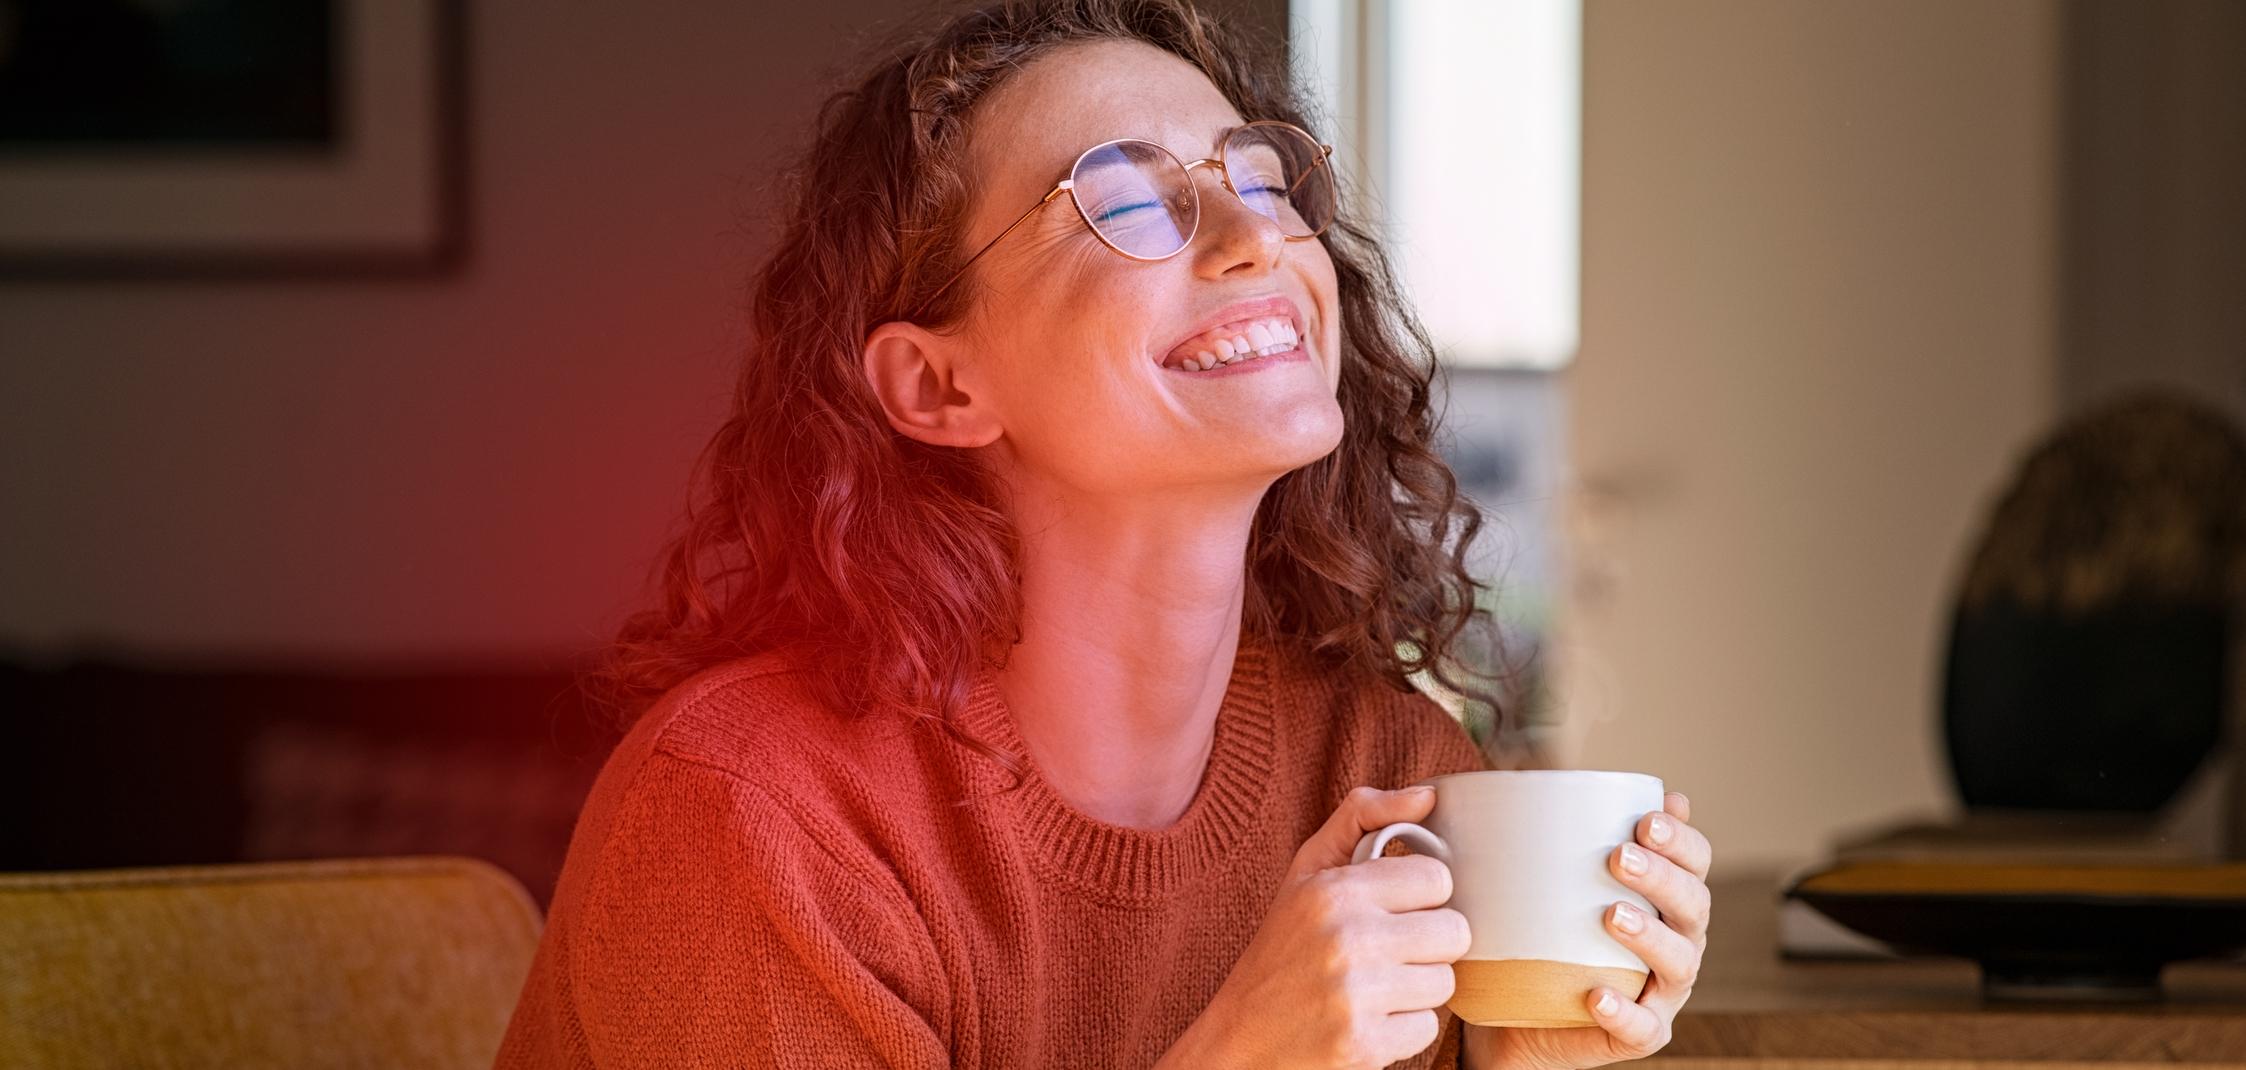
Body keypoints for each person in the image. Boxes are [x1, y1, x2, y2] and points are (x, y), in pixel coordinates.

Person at [493, 0, 1713, 1066]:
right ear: (937, 386)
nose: (1254, 241)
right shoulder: (756, 817)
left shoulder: (1384, 764)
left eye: (1260, 179)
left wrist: (1518, 1060)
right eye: (1126, 201)